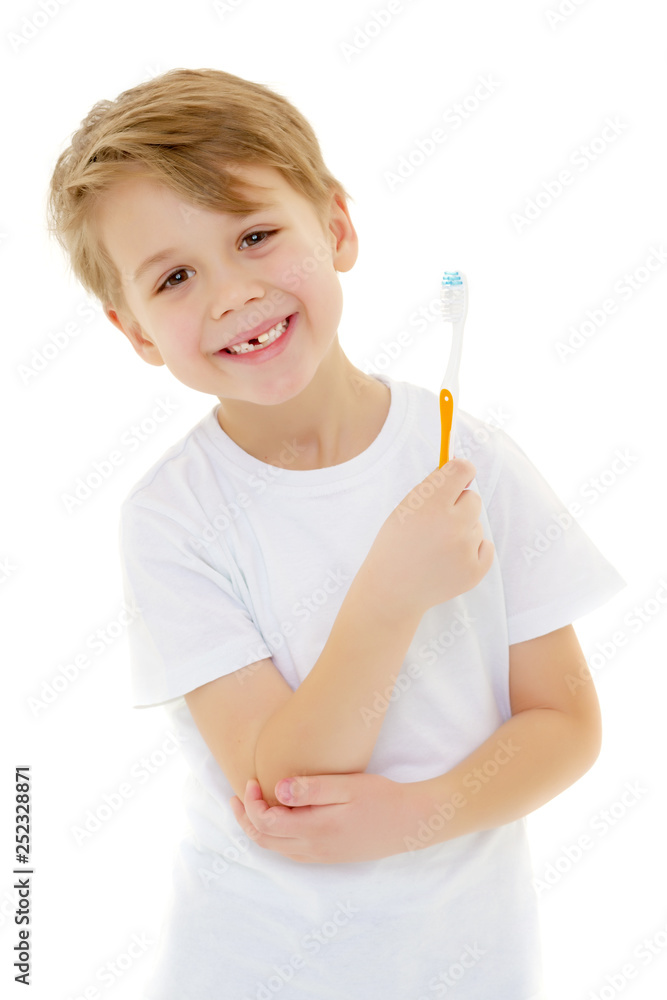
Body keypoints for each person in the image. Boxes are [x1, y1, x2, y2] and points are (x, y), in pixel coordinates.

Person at [47, 67, 626, 999]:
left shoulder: (469, 460)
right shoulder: (171, 520)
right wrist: (389, 593)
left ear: (337, 226)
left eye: (255, 236)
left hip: (468, 967)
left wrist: (418, 815)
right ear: (137, 332)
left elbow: (564, 724)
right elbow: (283, 782)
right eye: (176, 277)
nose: (231, 293)